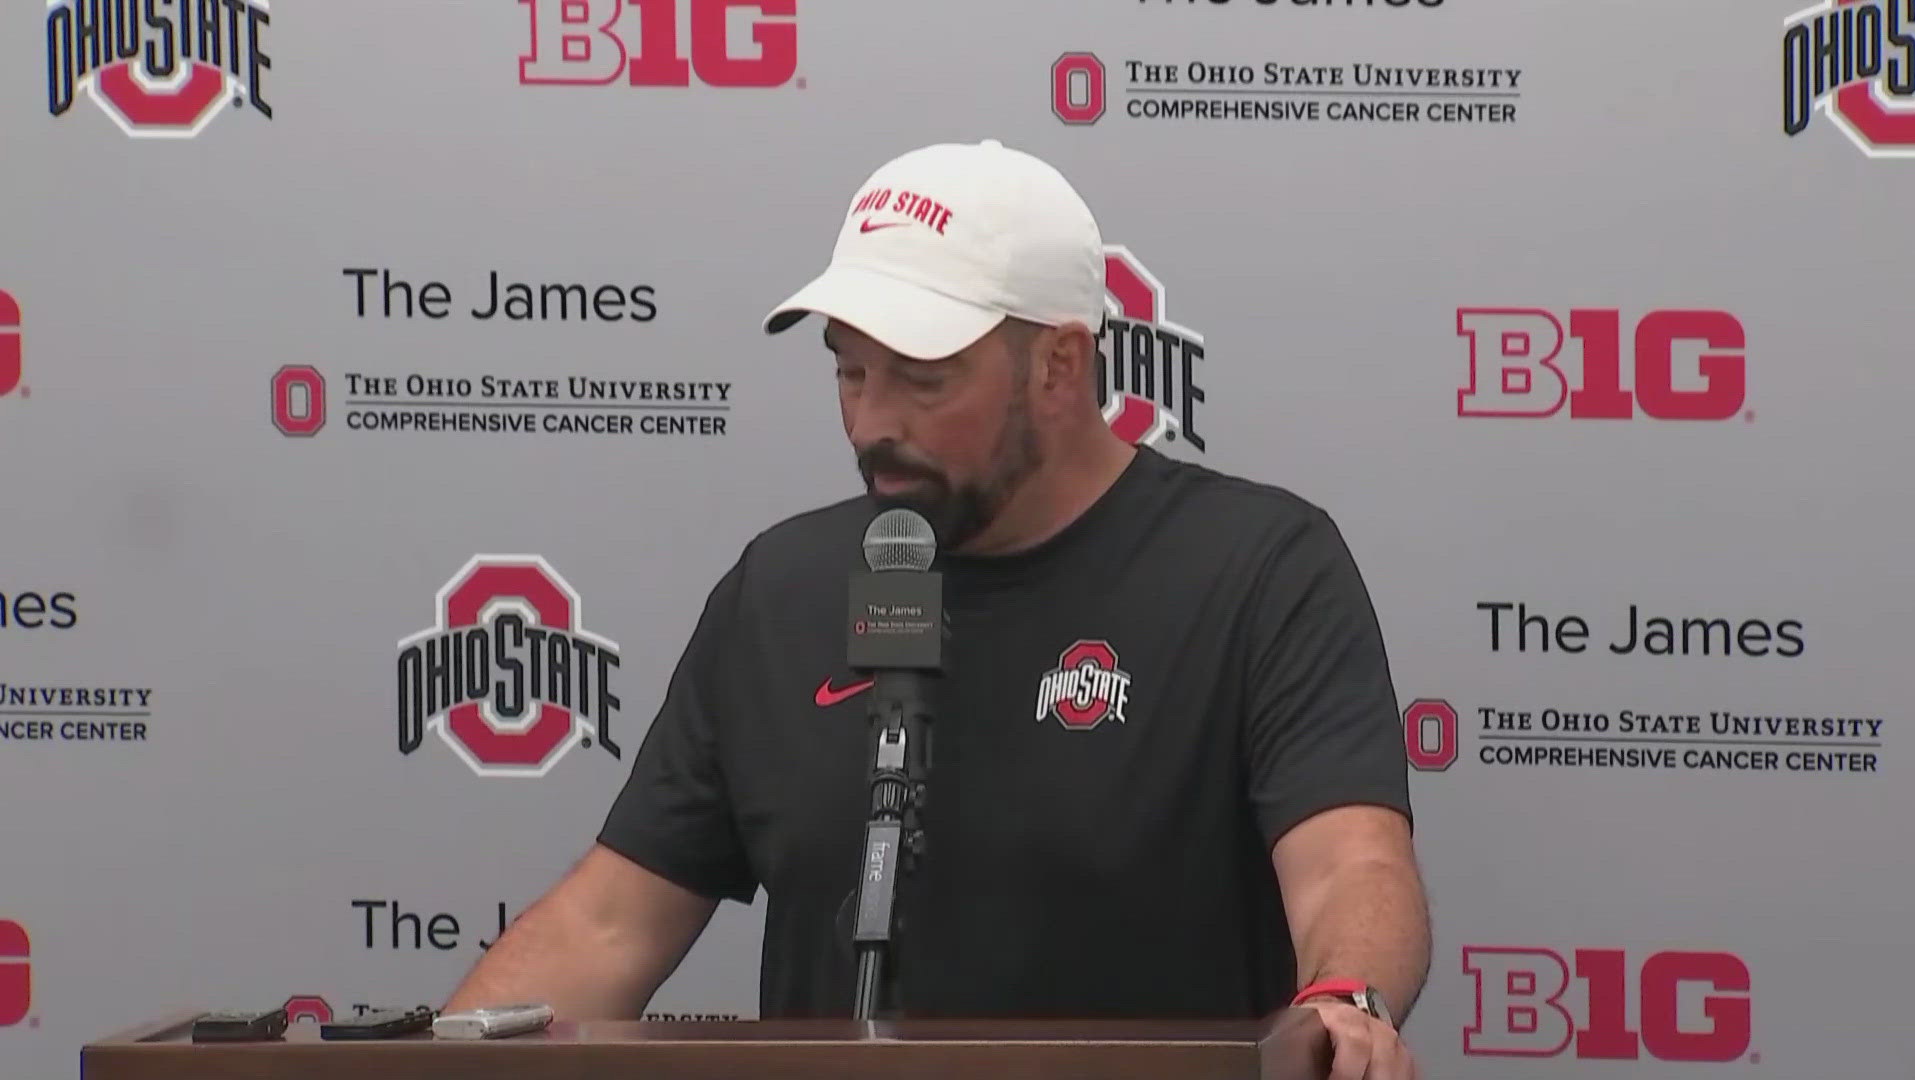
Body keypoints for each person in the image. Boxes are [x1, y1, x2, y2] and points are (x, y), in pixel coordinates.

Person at [443, 139, 1430, 1080]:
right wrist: (431, 1060)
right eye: (850, 371)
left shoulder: (1256, 571)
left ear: (1059, 365)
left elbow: (1352, 864)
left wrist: (1346, 997)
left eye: (923, 379)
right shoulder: (781, 590)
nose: (874, 423)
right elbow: (608, 925)